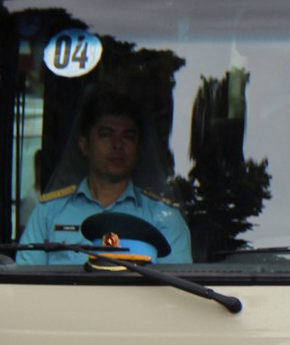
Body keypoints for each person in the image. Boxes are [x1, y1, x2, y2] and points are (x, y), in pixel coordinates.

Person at [22, 90, 192, 264]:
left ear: (138, 147)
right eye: (106, 134)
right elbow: (24, 284)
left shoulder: (163, 217)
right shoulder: (48, 212)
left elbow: (177, 287)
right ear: (84, 145)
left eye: (128, 136)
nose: (117, 144)